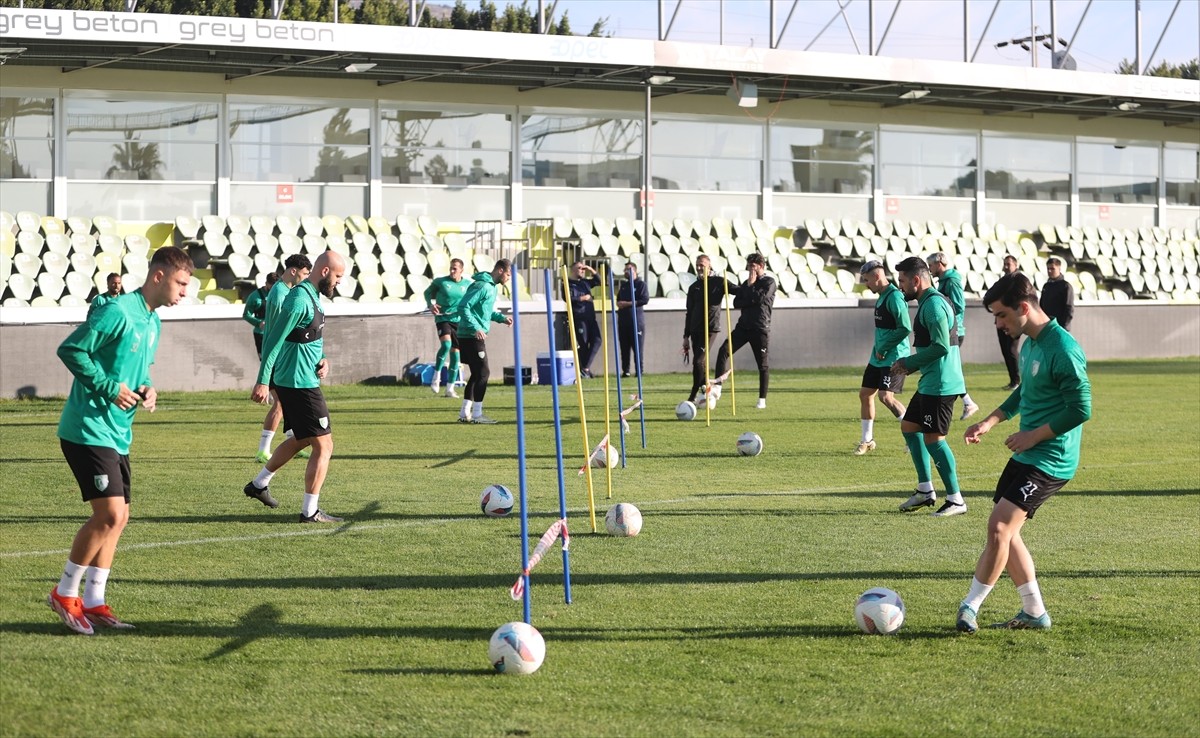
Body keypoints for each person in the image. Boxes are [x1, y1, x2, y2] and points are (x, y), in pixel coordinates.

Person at [48, 246, 193, 635]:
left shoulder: (154, 322)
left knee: (121, 518)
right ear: (158, 277)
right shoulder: (116, 310)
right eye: (180, 283)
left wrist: (148, 389)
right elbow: (72, 350)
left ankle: (94, 601)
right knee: (109, 514)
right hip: (87, 429)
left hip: (118, 432)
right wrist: (109, 387)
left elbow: (140, 370)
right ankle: (64, 594)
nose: (184, 292)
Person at [956, 271, 1091, 633]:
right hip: (1027, 455)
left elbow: (1081, 408)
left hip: (1052, 460)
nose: (998, 324)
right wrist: (990, 421)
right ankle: (1034, 612)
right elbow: (1024, 393)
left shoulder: (1063, 349)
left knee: (999, 527)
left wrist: (1033, 436)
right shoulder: (1030, 340)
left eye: (1001, 315)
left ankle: (970, 605)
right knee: (1009, 533)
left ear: (1024, 308)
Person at [243, 250, 346, 524]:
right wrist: (263, 381)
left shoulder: (313, 298)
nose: (338, 283)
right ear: (325, 272)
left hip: (304, 378)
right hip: (297, 383)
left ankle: (259, 484)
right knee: (324, 445)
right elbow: (273, 341)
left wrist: (322, 360)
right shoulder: (298, 300)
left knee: (301, 438)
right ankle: (309, 512)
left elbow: (309, 339)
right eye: (337, 277)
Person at [890, 256, 969, 517]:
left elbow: (940, 347)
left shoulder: (934, 306)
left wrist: (908, 363)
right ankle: (925, 490)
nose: (900, 286)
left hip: (942, 384)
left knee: (934, 440)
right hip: (931, 382)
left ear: (916, 280)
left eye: (902, 281)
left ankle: (956, 499)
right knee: (909, 427)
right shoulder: (929, 303)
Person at [254, 255, 312, 463]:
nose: (306, 279)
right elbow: (278, 332)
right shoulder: (280, 293)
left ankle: (291, 440)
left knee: (286, 403)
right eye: (305, 274)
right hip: (277, 356)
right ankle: (263, 449)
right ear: (294, 271)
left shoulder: (284, 291)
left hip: (281, 355)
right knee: (279, 403)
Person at [855, 261, 909, 455]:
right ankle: (867, 440)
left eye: (867, 279)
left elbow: (905, 327)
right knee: (865, 394)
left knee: (886, 397)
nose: (866, 284)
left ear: (877, 277)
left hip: (894, 357)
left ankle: (914, 437)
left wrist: (884, 347)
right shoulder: (882, 297)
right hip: (878, 357)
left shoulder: (894, 297)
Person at [713, 252, 776, 410]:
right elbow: (737, 302)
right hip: (743, 327)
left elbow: (759, 299)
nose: (750, 270)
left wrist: (750, 288)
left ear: (761, 266)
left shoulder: (769, 282)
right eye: (748, 267)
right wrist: (749, 289)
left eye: (753, 267)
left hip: (760, 328)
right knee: (723, 350)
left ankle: (762, 399)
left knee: (762, 365)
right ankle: (718, 387)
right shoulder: (747, 282)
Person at [456, 259, 514, 424]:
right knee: (484, 373)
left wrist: (501, 318)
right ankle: (477, 415)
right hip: (471, 335)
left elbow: (484, 312)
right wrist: (476, 328)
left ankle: (464, 412)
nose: (509, 279)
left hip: (471, 334)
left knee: (477, 373)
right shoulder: (482, 286)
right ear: (500, 270)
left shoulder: (491, 287)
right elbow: (463, 306)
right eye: (508, 274)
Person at [926, 252, 979, 420]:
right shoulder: (944, 281)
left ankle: (967, 403)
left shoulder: (952, 281)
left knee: (948, 371)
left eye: (931, 265)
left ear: (940, 263)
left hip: (953, 330)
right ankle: (968, 402)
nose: (929, 269)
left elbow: (959, 305)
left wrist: (944, 315)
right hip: (950, 330)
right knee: (950, 370)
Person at [683, 254, 736, 408]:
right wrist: (686, 336)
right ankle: (700, 392)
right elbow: (689, 312)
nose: (699, 267)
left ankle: (698, 391)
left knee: (699, 361)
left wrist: (750, 287)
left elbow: (736, 290)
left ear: (709, 266)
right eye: (697, 264)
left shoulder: (719, 281)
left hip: (710, 329)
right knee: (698, 364)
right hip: (695, 330)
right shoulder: (693, 287)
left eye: (702, 264)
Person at [423, 257, 469, 396]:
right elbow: (427, 293)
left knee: (456, 355)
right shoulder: (440, 282)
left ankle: (450, 388)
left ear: (461, 270)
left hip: (458, 320)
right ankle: (436, 377)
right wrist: (430, 305)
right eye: (451, 267)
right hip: (443, 318)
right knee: (446, 345)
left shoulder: (467, 284)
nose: (452, 270)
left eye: (455, 268)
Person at [615, 262, 650, 378]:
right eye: (624, 270)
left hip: (636, 321)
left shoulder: (641, 285)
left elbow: (644, 300)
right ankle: (626, 370)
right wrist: (620, 304)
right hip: (623, 321)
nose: (625, 272)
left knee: (637, 347)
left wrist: (628, 304)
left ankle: (639, 371)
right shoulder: (624, 286)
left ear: (634, 271)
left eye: (628, 270)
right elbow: (618, 299)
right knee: (624, 348)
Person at [567, 261, 601, 378]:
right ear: (573, 270)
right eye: (580, 268)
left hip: (591, 317)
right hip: (579, 318)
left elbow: (599, 281)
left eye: (583, 269)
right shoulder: (567, 283)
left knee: (597, 340)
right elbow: (568, 298)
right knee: (584, 344)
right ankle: (585, 370)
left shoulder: (585, 282)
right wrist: (583, 298)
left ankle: (585, 368)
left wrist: (591, 270)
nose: (582, 270)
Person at [996, 255, 1021, 389]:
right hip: (1001, 321)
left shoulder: (1019, 281)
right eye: (1004, 264)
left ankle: (1017, 380)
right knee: (1005, 351)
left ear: (1015, 265)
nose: (1005, 267)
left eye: (1008, 264)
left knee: (1012, 350)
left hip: (1013, 321)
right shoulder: (1002, 281)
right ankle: (1013, 381)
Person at [242, 272, 278, 359]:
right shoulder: (255, 296)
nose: (274, 289)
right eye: (271, 286)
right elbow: (246, 314)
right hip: (261, 334)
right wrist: (259, 323)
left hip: (276, 333)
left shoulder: (279, 294)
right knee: (265, 362)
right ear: (266, 284)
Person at [1039, 256, 1075, 332]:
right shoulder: (1046, 286)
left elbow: (1069, 309)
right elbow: (1042, 306)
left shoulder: (1066, 286)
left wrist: (1063, 326)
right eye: (1048, 269)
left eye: (1052, 269)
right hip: (1047, 327)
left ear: (1059, 269)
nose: (1049, 271)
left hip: (1060, 328)